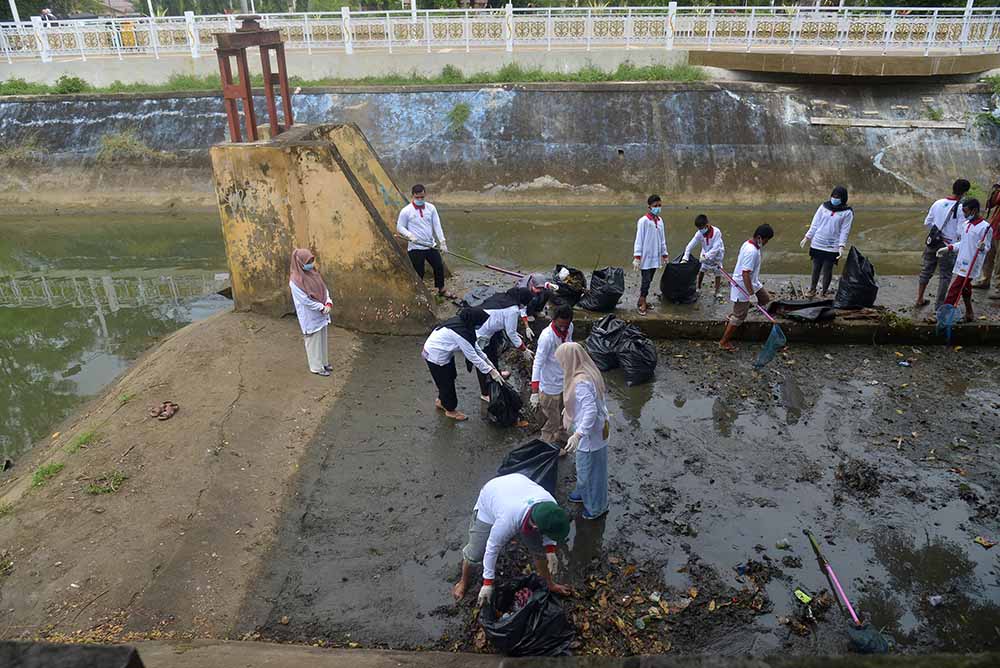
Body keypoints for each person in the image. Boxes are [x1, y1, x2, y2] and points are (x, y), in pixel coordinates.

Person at [452, 472, 571, 603]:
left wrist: (550, 549)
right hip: (491, 496)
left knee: (539, 551)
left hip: (517, 485)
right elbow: (492, 548)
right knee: (476, 553)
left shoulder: (551, 506)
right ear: (536, 526)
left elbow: (550, 531)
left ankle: (550, 584)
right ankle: (463, 581)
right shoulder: (507, 521)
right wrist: (487, 583)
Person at [556, 343, 610, 520]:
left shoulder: (581, 382)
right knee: (585, 466)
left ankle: (596, 507)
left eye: (562, 361)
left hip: (590, 435)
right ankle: (582, 490)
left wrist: (578, 435)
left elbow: (590, 411)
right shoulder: (588, 370)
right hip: (598, 428)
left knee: (591, 470)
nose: (561, 365)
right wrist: (570, 410)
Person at [423, 308, 503, 421]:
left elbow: (475, 346)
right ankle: (450, 410)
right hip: (435, 357)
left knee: (451, 375)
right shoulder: (459, 333)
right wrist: (491, 371)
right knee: (446, 383)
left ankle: (441, 401)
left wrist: (489, 362)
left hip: (443, 353)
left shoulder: (464, 324)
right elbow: (472, 356)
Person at [719, 224, 775, 352]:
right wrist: (751, 294)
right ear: (759, 237)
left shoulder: (751, 244)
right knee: (739, 317)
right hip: (743, 285)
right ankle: (723, 342)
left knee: (765, 299)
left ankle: (737, 310)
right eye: (766, 240)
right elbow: (745, 274)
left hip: (753, 282)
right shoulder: (751, 251)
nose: (766, 243)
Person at [917, 179, 970, 309]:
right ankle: (939, 306)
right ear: (965, 192)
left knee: (926, 270)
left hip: (933, 242)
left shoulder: (938, 203)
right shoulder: (961, 208)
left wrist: (938, 233)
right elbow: (961, 231)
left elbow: (927, 222)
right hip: (948, 246)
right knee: (945, 276)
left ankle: (919, 298)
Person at [474, 290, 535, 401]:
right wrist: (524, 349)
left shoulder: (506, 297)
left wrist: (525, 327)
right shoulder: (512, 310)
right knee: (482, 361)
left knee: (493, 353)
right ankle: (485, 393)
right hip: (480, 333)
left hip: (489, 328)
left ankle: (497, 373)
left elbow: (518, 312)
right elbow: (511, 333)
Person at [939, 198, 993, 322]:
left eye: (966, 211)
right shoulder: (965, 225)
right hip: (961, 260)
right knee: (965, 288)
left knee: (955, 289)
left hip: (972, 264)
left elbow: (987, 248)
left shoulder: (985, 228)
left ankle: (943, 314)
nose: (964, 214)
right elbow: (963, 243)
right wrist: (949, 248)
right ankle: (969, 313)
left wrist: (983, 247)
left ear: (974, 211)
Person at [397, 184, 454, 299]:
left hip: (430, 245)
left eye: (422, 197)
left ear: (425, 195)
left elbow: (437, 225)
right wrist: (409, 235)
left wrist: (442, 242)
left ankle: (441, 289)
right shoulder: (406, 211)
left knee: (438, 266)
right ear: (412, 196)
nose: (420, 199)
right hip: (416, 247)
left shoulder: (431, 208)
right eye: (417, 197)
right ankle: (419, 292)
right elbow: (399, 227)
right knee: (419, 271)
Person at [529, 305, 574, 445]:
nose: (563, 329)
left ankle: (561, 436)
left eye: (565, 326)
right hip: (549, 387)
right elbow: (537, 363)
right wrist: (534, 391)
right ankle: (546, 445)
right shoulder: (547, 337)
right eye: (560, 326)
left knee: (563, 413)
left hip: (564, 382)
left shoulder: (570, 327)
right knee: (552, 420)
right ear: (553, 320)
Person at [801, 186, 854, 297]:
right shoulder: (823, 207)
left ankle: (824, 292)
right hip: (818, 242)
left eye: (838, 197)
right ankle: (812, 290)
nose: (835, 198)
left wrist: (841, 246)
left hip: (832, 245)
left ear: (843, 198)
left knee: (827, 269)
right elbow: (815, 224)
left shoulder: (847, 212)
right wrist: (807, 237)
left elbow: (845, 231)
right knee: (816, 268)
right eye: (833, 196)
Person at [289, 248, 333, 377]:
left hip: (322, 312)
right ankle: (316, 367)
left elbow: (324, 289)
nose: (311, 264)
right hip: (310, 315)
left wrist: (328, 302)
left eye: (311, 261)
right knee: (313, 341)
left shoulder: (314, 274)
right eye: (308, 262)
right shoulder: (295, 281)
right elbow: (305, 300)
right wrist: (320, 307)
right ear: (300, 262)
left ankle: (324, 362)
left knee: (322, 339)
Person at [632, 195, 669, 315]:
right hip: (645, 257)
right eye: (655, 206)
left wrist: (664, 254)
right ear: (649, 207)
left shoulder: (660, 221)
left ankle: (642, 300)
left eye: (659, 205)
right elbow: (639, 239)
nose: (658, 208)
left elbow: (662, 239)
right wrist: (637, 257)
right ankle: (642, 302)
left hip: (655, 256)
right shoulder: (643, 221)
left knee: (650, 279)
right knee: (646, 280)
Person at [683, 214, 725, 296]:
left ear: (707, 225)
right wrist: (685, 257)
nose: (700, 230)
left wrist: (707, 256)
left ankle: (717, 291)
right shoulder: (699, 233)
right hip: (705, 253)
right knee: (702, 270)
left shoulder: (717, 232)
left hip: (716, 255)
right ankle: (698, 288)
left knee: (718, 273)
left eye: (701, 228)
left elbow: (716, 248)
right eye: (699, 229)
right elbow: (690, 245)